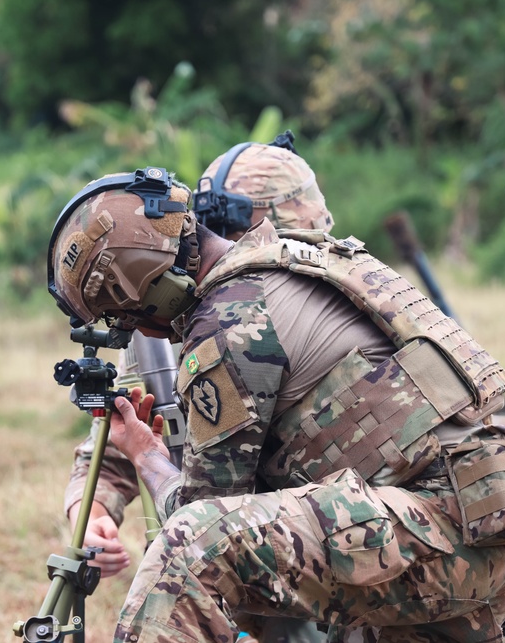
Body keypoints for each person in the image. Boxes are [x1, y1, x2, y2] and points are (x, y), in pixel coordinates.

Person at [47, 147, 505, 642]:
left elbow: (202, 513)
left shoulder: (231, 317)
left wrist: (147, 454)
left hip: (432, 537)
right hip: (473, 529)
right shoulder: (308, 270)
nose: (143, 334)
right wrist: (91, 500)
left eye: (134, 319)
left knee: (196, 544)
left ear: (151, 289)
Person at [63, 140, 331, 643]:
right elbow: (118, 444)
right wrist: (93, 513)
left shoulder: (325, 309)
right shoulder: (158, 336)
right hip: (224, 577)